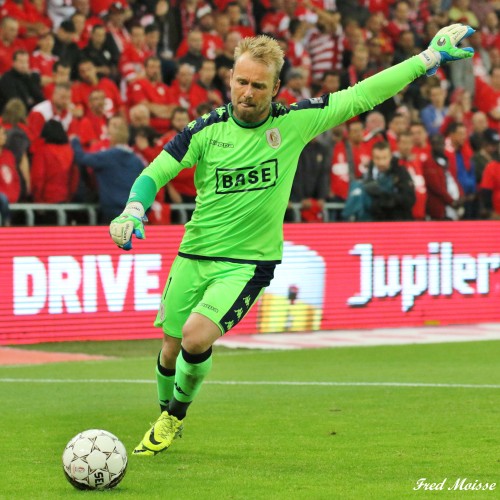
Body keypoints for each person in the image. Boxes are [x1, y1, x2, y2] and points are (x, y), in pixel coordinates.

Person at [109, 25, 475, 457]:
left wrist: (427, 59)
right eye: (241, 82)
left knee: (194, 337)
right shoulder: (204, 131)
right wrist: (133, 209)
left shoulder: (295, 122)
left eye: (258, 86)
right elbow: (156, 172)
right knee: (170, 349)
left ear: (275, 87)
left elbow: (363, 95)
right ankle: (164, 409)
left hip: (248, 262)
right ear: (230, 79)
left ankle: (175, 417)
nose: (247, 93)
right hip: (193, 253)